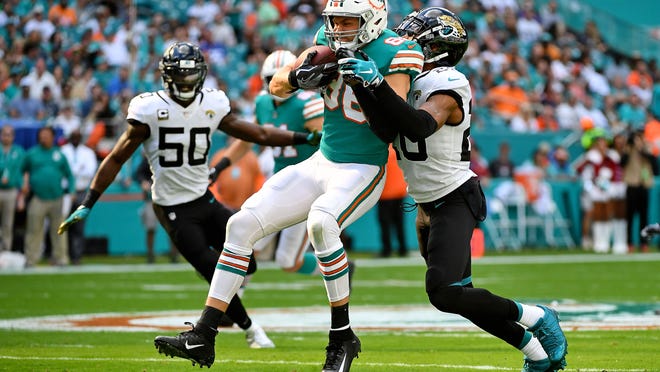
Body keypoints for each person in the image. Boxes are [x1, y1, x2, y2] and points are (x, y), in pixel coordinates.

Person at [152, 3, 424, 370]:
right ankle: (204, 334)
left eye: (348, 21)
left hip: (362, 166)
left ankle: (342, 337)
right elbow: (277, 83)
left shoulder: (398, 51)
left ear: (372, 21)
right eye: (334, 20)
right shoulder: (323, 40)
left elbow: (390, 127)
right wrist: (300, 77)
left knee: (321, 224)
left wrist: (370, 82)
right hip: (321, 161)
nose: (339, 28)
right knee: (241, 225)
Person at [335, 7, 567, 372]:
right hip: (428, 201)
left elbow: (420, 126)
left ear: (436, 47)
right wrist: (363, 85)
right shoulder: (410, 80)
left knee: (444, 292)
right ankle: (538, 358)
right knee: (463, 296)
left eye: (413, 37)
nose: (402, 42)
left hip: (456, 197)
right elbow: (385, 130)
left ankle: (537, 315)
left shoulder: (448, 81)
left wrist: (376, 84)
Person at [57, 42, 320, 349]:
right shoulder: (149, 109)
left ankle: (231, 317)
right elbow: (116, 157)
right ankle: (251, 331)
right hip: (172, 207)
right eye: (180, 75)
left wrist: (305, 136)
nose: (186, 80)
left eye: (191, 74)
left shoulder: (211, 102)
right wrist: (89, 201)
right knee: (212, 267)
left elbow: (258, 134)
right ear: (167, 76)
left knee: (248, 262)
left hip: (203, 198)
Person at [213, 49, 326, 275]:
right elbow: (249, 139)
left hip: (307, 187)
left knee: (287, 261)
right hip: (278, 182)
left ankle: (341, 269)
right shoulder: (263, 102)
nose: (276, 84)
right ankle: (233, 301)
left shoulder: (308, 102)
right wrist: (221, 165)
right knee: (248, 240)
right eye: (270, 79)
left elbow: (328, 145)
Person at [22, 126, 75, 267]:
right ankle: (31, 259)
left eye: (46, 135)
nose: (43, 138)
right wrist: (24, 185)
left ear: (52, 137)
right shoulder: (32, 154)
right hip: (38, 197)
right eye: (42, 135)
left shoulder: (59, 154)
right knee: (34, 230)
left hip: (57, 197)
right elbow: (23, 171)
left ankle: (61, 259)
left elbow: (69, 174)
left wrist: (72, 190)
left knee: (59, 230)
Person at [60, 129, 98, 264]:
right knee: (62, 224)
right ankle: (61, 256)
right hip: (65, 192)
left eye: (78, 136)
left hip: (81, 191)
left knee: (79, 226)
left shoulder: (87, 152)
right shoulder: (63, 151)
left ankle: (76, 257)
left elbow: (90, 171)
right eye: (73, 136)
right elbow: (62, 171)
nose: (76, 138)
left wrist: (73, 172)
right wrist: (77, 170)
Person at [377, 145, 408, 258]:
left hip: (386, 194)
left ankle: (387, 250)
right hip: (399, 192)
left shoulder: (380, 151)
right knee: (399, 223)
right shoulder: (398, 150)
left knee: (385, 224)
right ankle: (403, 249)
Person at [0, 125, 25, 252]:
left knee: (7, 224)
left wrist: (21, 195)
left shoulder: (19, 151)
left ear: (13, 137)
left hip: (11, 190)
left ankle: (5, 252)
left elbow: (22, 173)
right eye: (4, 134)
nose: (6, 137)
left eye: (9, 134)